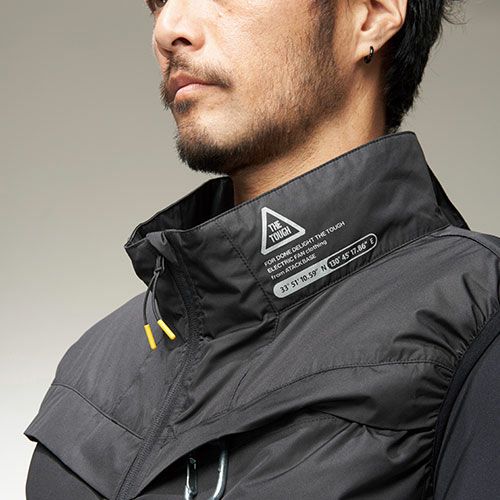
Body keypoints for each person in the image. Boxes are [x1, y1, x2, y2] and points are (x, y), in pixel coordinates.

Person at [24, 0, 500, 498]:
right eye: (158, 2)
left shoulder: (478, 319)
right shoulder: (91, 370)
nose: (168, 28)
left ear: (372, 14)